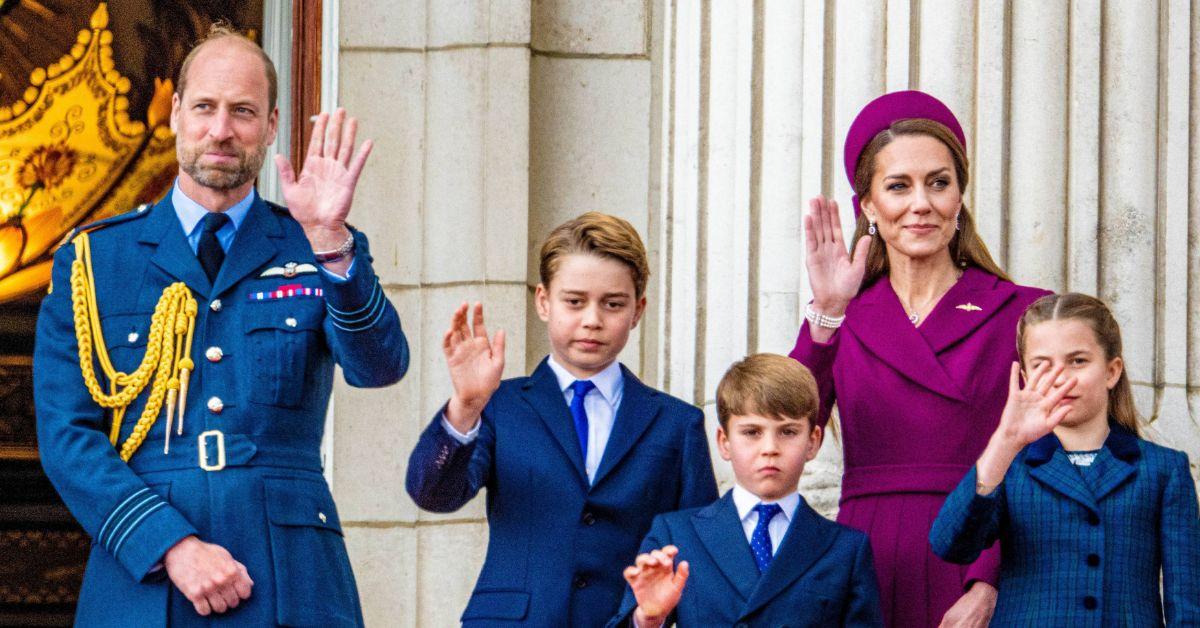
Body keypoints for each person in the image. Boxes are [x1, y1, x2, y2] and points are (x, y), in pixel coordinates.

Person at [33, 25, 409, 627]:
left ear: (272, 123)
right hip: (145, 575)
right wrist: (170, 546)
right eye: (205, 107)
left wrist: (331, 244)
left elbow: (381, 367)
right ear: (176, 112)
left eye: (243, 111)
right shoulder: (94, 261)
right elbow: (66, 438)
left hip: (290, 572)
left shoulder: (313, 243)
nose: (221, 129)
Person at [789, 90, 1051, 627]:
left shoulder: (1023, 312)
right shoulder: (844, 317)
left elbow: (1045, 464)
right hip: (866, 556)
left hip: (980, 550)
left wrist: (990, 581)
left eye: (938, 183)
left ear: (959, 196)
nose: (921, 204)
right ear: (868, 205)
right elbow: (790, 425)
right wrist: (827, 313)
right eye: (898, 186)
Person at [405, 212, 718, 626]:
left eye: (613, 304)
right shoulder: (500, 405)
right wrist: (465, 406)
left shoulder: (676, 425)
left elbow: (698, 558)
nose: (592, 319)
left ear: (638, 310)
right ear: (543, 302)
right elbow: (433, 494)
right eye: (575, 301)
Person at [930, 293, 1200, 625]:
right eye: (1042, 364)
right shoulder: (1009, 466)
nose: (1061, 377)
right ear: (1026, 379)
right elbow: (950, 544)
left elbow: (1187, 603)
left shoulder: (1163, 469)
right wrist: (1004, 441)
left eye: (1078, 361)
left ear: (1112, 371)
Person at [608, 354, 883, 627]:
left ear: (813, 442)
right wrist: (647, 619)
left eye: (788, 432)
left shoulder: (845, 549)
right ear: (724, 442)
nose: (770, 448)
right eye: (752, 432)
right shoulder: (676, 534)